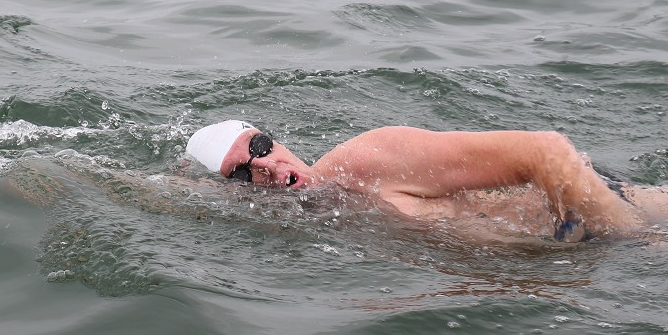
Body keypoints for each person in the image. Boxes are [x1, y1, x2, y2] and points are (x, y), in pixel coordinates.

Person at [186, 120, 640, 241]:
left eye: (260, 148)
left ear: (275, 139)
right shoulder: (325, 213)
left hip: (603, 210)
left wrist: (621, 234)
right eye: (244, 175)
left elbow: (548, 152)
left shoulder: (361, 162)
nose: (264, 168)